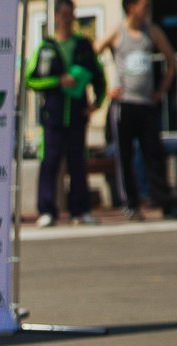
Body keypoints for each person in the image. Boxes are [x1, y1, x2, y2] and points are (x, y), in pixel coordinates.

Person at [26, 0, 107, 227]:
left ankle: (80, 211)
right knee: (50, 161)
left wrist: (96, 103)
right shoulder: (46, 47)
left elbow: (98, 76)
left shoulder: (83, 45)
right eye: (65, 15)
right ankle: (47, 210)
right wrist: (57, 81)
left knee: (77, 162)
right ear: (56, 17)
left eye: (72, 15)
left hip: (77, 115)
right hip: (53, 116)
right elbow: (31, 79)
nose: (69, 19)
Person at [96, 0, 177, 220]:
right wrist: (107, 87)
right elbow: (93, 53)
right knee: (125, 153)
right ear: (131, 7)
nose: (147, 9)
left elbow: (171, 61)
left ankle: (164, 201)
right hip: (124, 103)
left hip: (146, 103)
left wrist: (161, 91)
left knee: (154, 152)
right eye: (144, 5)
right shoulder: (117, 32)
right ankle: (130, 203)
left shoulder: (152, 31)